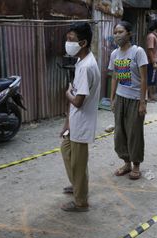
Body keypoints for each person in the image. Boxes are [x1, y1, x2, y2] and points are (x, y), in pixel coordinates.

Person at [60, 22, 100, 212]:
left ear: (82, 43)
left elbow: (77, 101)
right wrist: (67, 122)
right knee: (67, 150)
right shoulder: (82, 60)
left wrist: (67, 93)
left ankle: (80, 201)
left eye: (71, 39)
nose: (67, 43)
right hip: (75, 121)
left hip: (82, 121)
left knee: (78, 161)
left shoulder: (85, 66)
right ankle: (77, 185)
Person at [109, 21, 148, 180]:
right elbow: (115, 76)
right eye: (115, 32)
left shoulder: (138, 52)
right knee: (120, 133)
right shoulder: (114, 54)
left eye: (120, 32)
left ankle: (136, 165)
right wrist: (112, 98)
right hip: (120, 98)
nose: (117, 35)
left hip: (134, 99)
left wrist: (142, 101)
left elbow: (144, 79)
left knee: (134, 133)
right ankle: (126, 163)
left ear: (129, 33)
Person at [146, 21, 157, 101]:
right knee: (150, 79)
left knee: (152, 79)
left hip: (152, 60)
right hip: (151, 61)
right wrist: (153, 62)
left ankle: (151, 95)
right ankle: (148, 96)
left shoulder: (152, 36)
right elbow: (150, 50)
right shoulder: (151, 36)